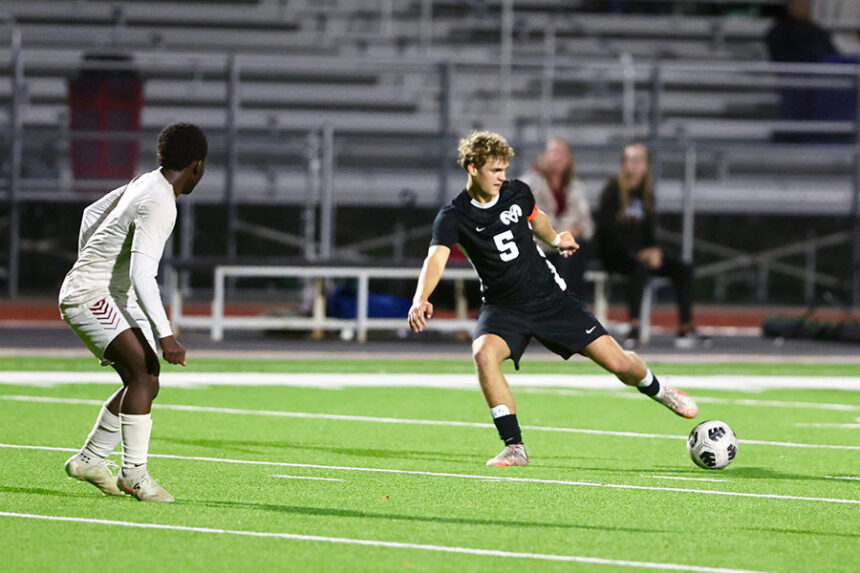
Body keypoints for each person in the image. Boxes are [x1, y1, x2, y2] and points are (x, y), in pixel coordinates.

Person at [408, 131, 697, 467]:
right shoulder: (454, 216)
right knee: (483, 354)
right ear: (472, 168)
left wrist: (556, 238)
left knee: (619, 364)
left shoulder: (517, 191)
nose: (502, 178)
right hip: (504, 307)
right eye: (494, 171)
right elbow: (436, 258)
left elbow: (537, 220)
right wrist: (421, 297)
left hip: (548, 298)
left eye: (504, 170)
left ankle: (660, 390)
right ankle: (514, 446)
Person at [59, 122, 208, 502]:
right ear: (196, 166)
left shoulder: (146, 182)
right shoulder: (161, 201)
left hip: (105, 291)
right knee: (143, 372)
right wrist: (165, 334)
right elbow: (144, 272)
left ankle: (90, 460)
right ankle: (134, 475)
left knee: (146, 378)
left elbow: (92, 214)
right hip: (92, 294)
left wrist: (90, 262)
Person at [595, 143, 707, 350]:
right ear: (623, 164)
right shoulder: (613, 190)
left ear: (646, 165)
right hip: (614, 254)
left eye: (639, 160)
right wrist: (640, 252)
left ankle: (685, 327)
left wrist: (653, 250)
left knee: (683, 269)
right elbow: (607, 231)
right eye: (630, 159)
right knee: (639, 267)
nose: (635, 165)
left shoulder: (646, 194)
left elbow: (648, 233)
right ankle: (635, 328)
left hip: (640, 254)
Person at [519, 138, 594, 296]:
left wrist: (573, 231)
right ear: (544, 156)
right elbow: (533, 221)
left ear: (569, 159)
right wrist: (564, 232)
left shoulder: (576, 187)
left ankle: (569, 307)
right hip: (536, 247)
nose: (557, 158)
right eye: (553, 152)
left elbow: (586, 223)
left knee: (574, 249)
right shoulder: (528, 184)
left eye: (561, 153)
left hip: (564, 250)